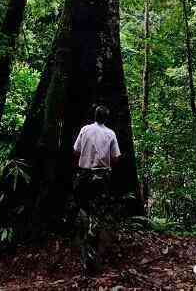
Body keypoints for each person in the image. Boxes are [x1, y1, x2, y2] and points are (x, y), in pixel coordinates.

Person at [73, 105, 121, 275]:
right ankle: (92, 256)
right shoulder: (111, 133)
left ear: (94, 116)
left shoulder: (85, 129)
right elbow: (116, 157)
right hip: (102, 177)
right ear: (106, 118)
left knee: (84, 210)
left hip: (84, 175)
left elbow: (76, 150)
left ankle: (85, 254)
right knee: (97, 214)